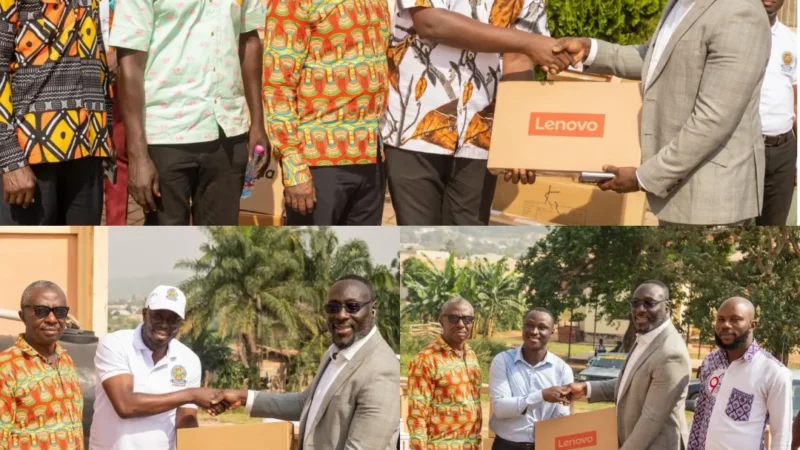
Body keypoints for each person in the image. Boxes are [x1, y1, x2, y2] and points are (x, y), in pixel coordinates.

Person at [553, 0, 771, 225]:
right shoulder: (679, 4)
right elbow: (654, 58)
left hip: (711, 198)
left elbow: (713, 120)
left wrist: (642, 178)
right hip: (678, 192)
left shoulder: (739, 12)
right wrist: (590, 50)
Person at [380, 0, 582, 225]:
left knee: (469, 227)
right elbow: (430, 22)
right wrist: (529, 42)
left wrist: (516, 142)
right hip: (412, 128)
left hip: (481, 134)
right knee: (417, 230)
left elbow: (518, 58)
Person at [110, 0, 267, 225]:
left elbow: (249, 39)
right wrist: (137, 156)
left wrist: (257, 123)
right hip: (167, 135)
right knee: (166, 249)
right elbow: (129, 66)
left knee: (219, 247)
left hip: (228, 130)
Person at [210, 276, 400, 450]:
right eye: (333, 308)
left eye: (352, 307)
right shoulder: (335, 353)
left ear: (373, 309)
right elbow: (305, 404)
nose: (341, 315)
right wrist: (243, 398)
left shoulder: (382, 369)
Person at [265, 0, 390, 226]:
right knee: (311, 257)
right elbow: (278, 86)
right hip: (318, 161)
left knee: (362, 257)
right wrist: (294, 166)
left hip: (372, 157)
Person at [0, 0, 114, 225]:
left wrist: (105, 135)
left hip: (88, 146)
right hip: (30, 152)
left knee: (81, 256)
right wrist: (9, 157)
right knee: (29, 257)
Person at [558, 281, 691, 450]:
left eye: (649, 303)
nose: (640, 309)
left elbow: (651, 420)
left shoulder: (671, 354)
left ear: (667, 307)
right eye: (635, 303)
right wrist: (586, 389)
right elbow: (632, 384)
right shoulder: (646, 338)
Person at [89, 286, 223, 450]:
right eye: (158, 315)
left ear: (180, 322)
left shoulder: (189, 359)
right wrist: (191, 395)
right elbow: (125, 405)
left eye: (173, 319)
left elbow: (185, 418)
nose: (164, 324)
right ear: (145, 314)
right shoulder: (116, 344)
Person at [687, 297, 792, 450]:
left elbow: (781, 436)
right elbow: (700, 417)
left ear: (752, 325)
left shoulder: (773, 372)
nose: (725, 325)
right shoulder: (711, 361)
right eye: (720, 319)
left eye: (735, 320)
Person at [0, 281, 85, 449]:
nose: (52, 319)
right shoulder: (6, 368)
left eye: (60, 312)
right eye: (41, 311)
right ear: (23, 316)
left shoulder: (65, 360)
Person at [488, 308, 572, 450]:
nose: (534, 331)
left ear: (552, 332)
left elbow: (561, 415)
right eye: (530, 325)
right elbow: (500, 408)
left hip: (545, 445)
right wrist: (541, 395)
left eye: (542, 327)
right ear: (523, 327)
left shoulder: (562, 370)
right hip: (506, 446)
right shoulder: (503, 361)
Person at [406, 297, 482, 449]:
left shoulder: (471, 354)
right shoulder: (426, 359)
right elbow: (417, 415)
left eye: (467, 319)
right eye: (454, 318)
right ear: (442, 320)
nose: (460, 324)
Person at [756, 0, 797, 225]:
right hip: (743, 148)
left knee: (774, 224)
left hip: (784, 152)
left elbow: (796, 103)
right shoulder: (733, 35)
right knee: (734, 222)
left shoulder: (792, 42)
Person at [99, 0, 129, 226]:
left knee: (118, 153)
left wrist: (118, 54)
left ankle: (115, 226)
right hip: (78, 74)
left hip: (121, 75)